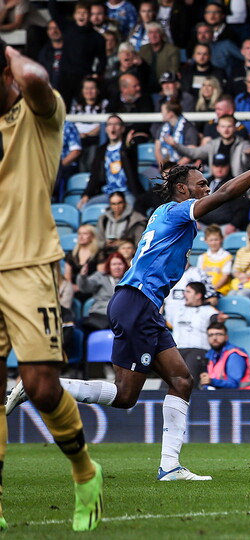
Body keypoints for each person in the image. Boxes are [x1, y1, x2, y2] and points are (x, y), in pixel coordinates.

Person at [9, 149, 250, 483]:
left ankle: (170, 466)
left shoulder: (165, 214)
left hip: (137, 304)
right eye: (201, 183)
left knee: (181, 380)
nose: (207, 188)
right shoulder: (178, 211)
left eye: (207, 183)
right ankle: (39, 387)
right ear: (183, 189)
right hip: (138, 303)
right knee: (125, 396)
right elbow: (225, 195)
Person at [0, 43, 102, 531]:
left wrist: (6, 47)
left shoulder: (39, 115)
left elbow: (38, 78)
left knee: (40, 386)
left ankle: (85, 471)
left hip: (30, 265)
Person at [167, 114, 250, 178]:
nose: (226, 130)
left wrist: (248, 155)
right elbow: (194, 153)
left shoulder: (244, 145)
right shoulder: (213, 144)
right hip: (217, 187)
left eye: (229, 126)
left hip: (237, 187)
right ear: (218, 128)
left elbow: (248, 163)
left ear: (235, 128)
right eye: (223, 126)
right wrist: (176, 145)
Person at [169, 281, 223, 384]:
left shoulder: (208, 310)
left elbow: (216, 320)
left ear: (198, 295)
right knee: (168, 382)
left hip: (198, 350)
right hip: (177, 350)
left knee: (186, 380)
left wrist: (219, 319)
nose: (184, 294)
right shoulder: (178, 310)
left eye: (188, 292)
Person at [78, 252, 128, 333]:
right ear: (109, 266)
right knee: (80, 324)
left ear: (125, 266)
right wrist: (83, 276)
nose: (117, 267)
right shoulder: (100, 276)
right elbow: (85, 287)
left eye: (120, 264)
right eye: (114, 264)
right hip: (100, 314)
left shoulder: (129, 280)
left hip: (121, 316)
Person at [201, 322, 250, 389]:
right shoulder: (210, 355)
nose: (214, 338)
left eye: (218, 334)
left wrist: (212, 381)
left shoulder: (234, 355)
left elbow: (234, 384)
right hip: (221, 396)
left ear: (226, 337)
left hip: (242, 396)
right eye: (211, 335)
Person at [153, 101, 199, 167]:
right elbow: (157, 149)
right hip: (166, 167)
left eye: (163, 111)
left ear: (170, 114)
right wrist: (162, 167)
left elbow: (191, 152)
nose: (161, 114)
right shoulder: (162, 128)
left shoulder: (188, 128)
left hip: (184, 168)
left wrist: (174, 169)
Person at [197, 225, 234, 294]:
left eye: (216, 240)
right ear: (206, 240)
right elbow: (199, 275)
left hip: (221, 291)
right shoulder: (202, 257)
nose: (213, 243)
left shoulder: (227, 256)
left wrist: (212, 289)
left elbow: (225, 276)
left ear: (222, 239)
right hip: (204, 291)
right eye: (211, 240)